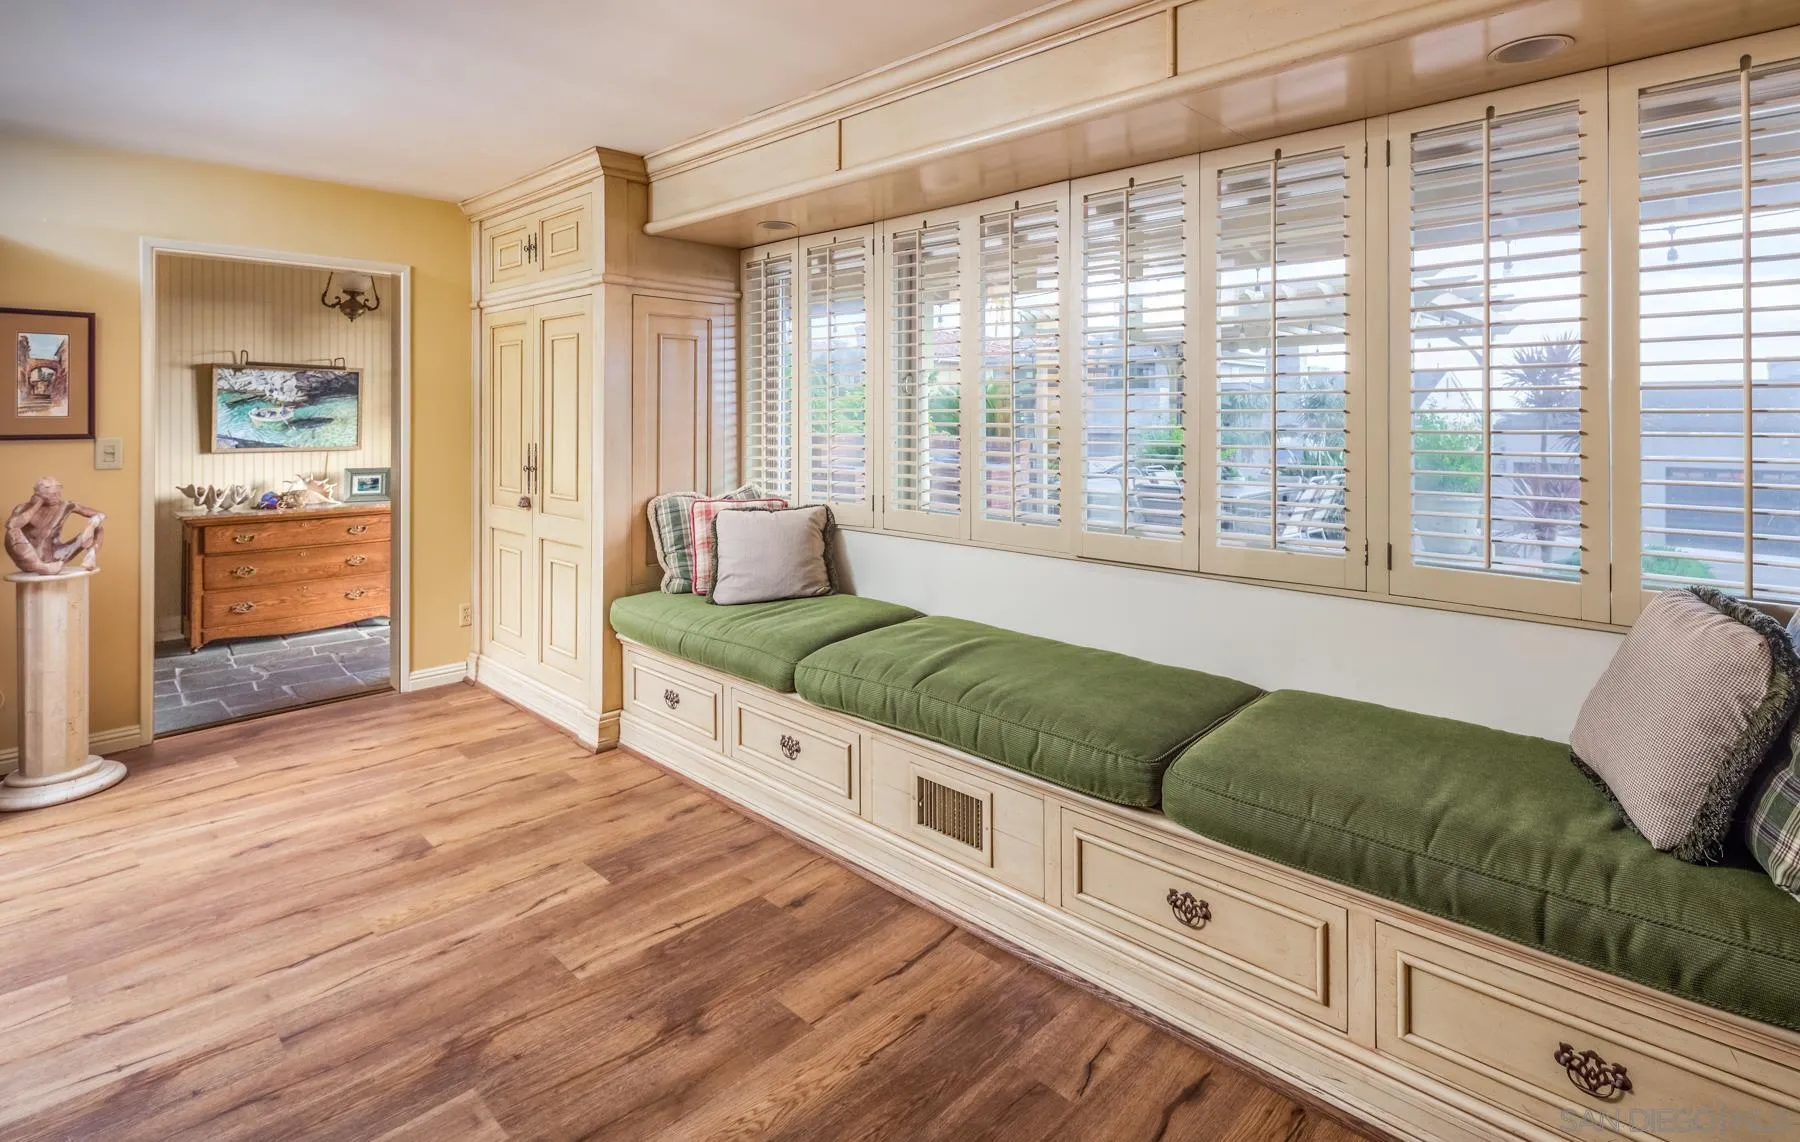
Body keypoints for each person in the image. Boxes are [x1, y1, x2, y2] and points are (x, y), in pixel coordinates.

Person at [5, 477, 104, 575]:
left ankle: (90, 557)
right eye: (52, 495)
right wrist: (36, 505)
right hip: (29, 561)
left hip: (55, 556)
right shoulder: (23, 508)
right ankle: (39, 566)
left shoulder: (66, 505)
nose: (57, 497)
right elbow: (12, 525)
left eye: (58, 493)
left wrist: (92, 526)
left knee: (98, 527)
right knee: (12, 532)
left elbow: (100, 514)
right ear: (38, 495)